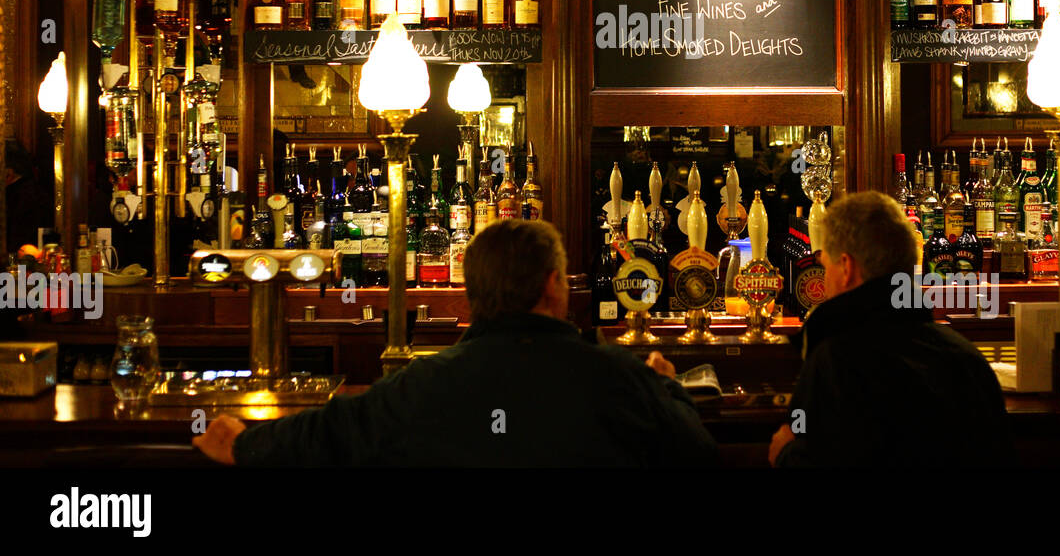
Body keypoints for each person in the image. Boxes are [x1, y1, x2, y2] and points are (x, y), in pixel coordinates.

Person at [194, 219, 716, 467]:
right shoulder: (621, 378)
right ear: (553, 286)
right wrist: (666, 388)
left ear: (470, 294)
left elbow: (326, 434)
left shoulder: (421, 385)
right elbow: (699, 454)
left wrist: (242, 441)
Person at [768, 191, 1008, 466]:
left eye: (827, 267)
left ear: (846, 267)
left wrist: (786, 453)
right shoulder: (968, 359)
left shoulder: (835, 359)